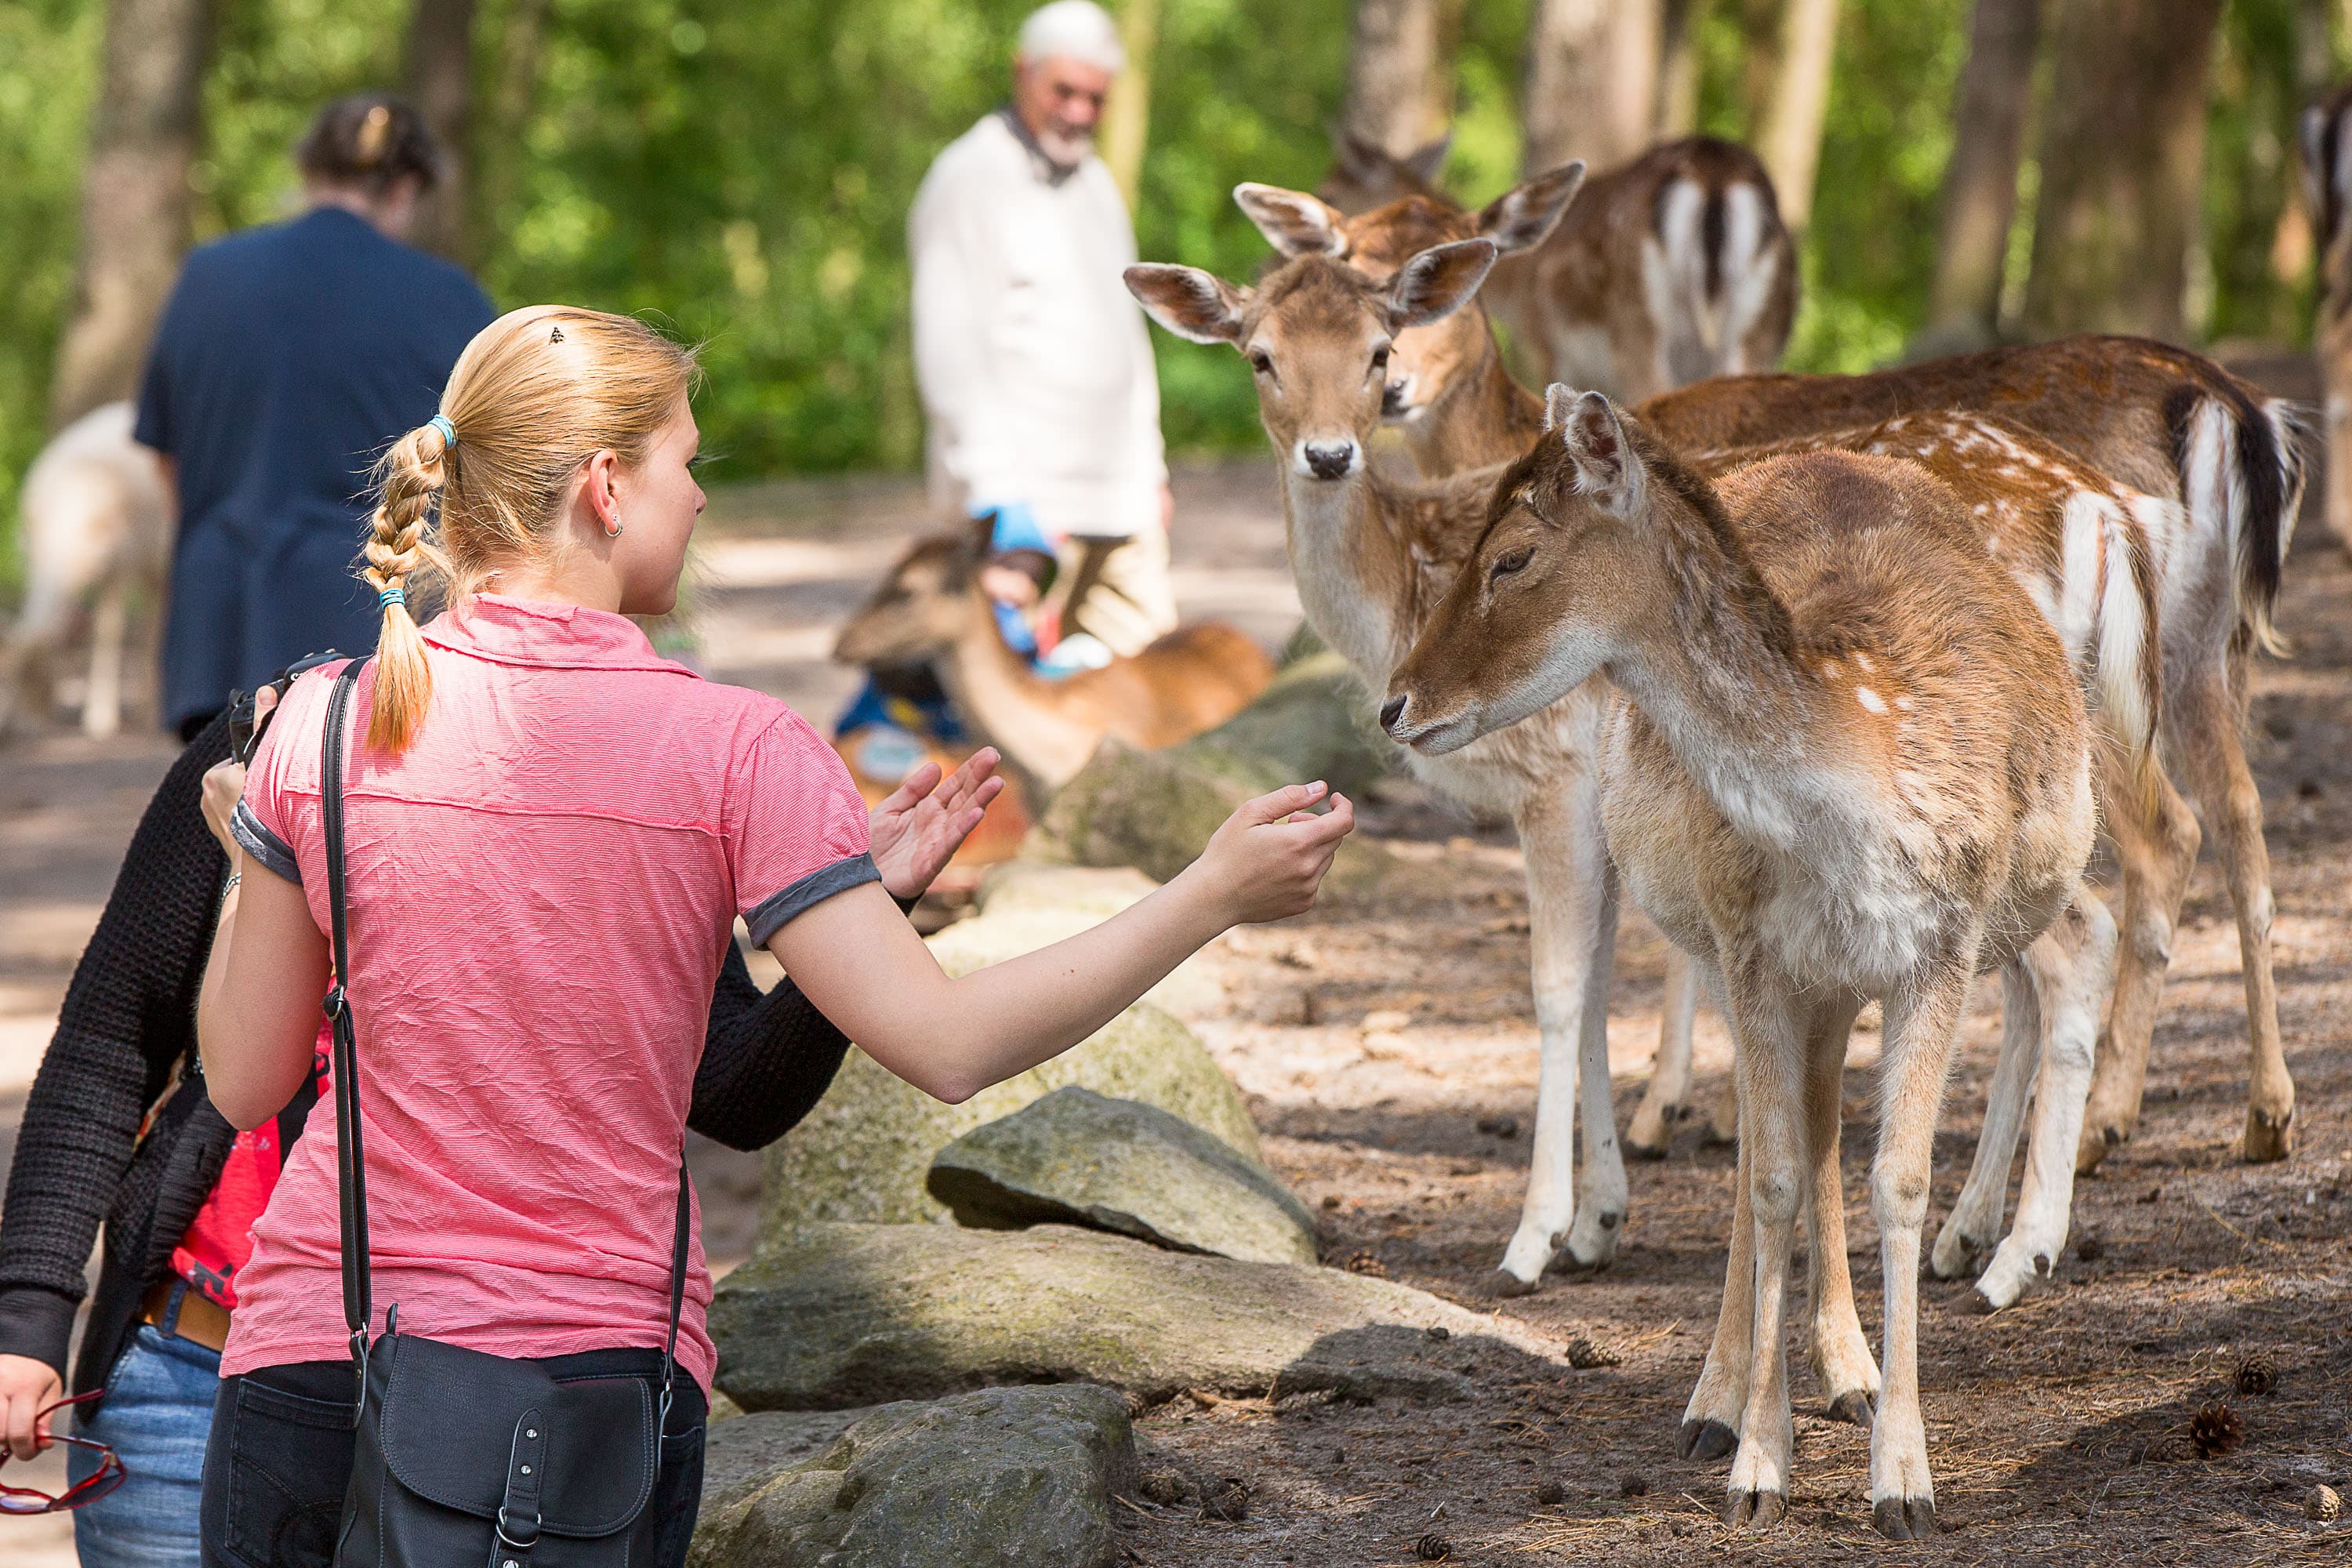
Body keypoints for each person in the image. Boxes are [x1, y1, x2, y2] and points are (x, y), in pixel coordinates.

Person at [190, 304, 1351, 1566]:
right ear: (605, 487)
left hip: (317, 1373)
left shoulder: (321, 723)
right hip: (587, 1404)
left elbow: (244, 1081)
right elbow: (950, 1048)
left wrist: (255, 860)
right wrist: (1207, 895)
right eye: (688, 463)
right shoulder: (738, 749)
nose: (698, 500)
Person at [0, 669, 1000, 1562]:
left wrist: (861, 918)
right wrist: (30, 1316)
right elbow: (108, 1046)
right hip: (193, 1369)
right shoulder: (279, 745)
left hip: (487, 1395)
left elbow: (733, 1090)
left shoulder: (642, 770)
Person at [137, 93, 496, 741]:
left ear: (309, 174)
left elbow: (166, 459)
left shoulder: (207, 278)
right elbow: (492, 482)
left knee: (227, 835)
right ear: (406, 187)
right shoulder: (451, 299)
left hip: (221, 636)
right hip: (384, 644)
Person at [908, 0, 1178, 664]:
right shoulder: (970, 177)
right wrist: (997, 497)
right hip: (1027, 511)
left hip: (1120, 503)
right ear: (1022, 72)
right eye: (1065, 91)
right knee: (1018, 724)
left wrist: (1151, 469)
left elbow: (1125, 338)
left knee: (1151, 704)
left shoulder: (1095, 184)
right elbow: (949, 348)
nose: (1080, 112)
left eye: (1096, 98)